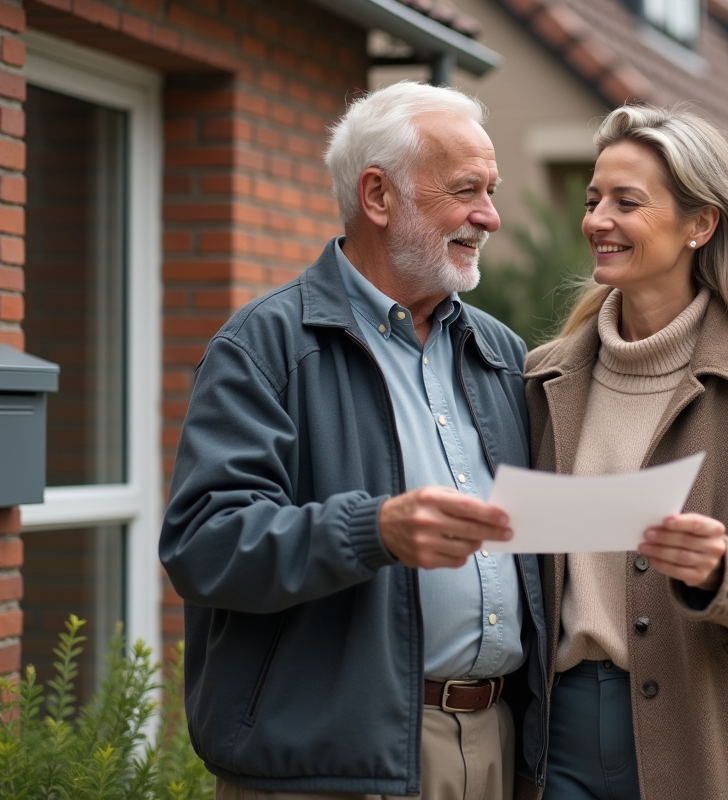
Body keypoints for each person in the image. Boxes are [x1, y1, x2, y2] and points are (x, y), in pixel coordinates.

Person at [160, 81, 548, 800]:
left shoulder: (501, 352)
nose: (489, 216)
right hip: (332, 763)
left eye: (491, 190)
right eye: (466, 190)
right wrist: (374, 529)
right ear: (378, 196)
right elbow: (205, 546)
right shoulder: (263, 346)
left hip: (495, 744)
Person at [520, 105, 728, 800]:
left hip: (710, 734)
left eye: (626, 202)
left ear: (701, 223)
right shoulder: (542, 378)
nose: (598, 219)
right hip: (556, 734)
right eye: (594, 199)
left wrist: (723, 569)